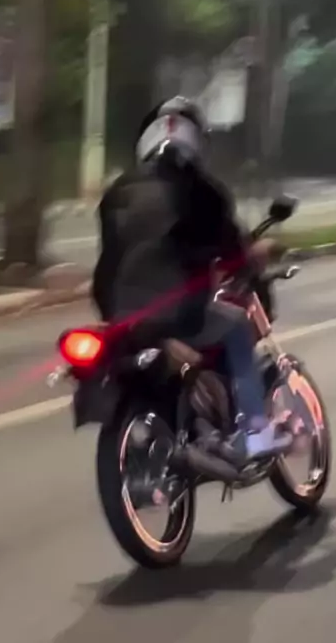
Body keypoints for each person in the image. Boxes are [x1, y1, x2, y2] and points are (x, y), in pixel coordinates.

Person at [92, 97, 292, 463]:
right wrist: (252, 260)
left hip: (119, 314)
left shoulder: (116, 192)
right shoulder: (203, 190)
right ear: (197, 140)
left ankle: (190, 415)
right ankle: (256, 433)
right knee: (236, 325)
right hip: (176, 312)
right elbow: (232, 252)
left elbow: (113, 254)